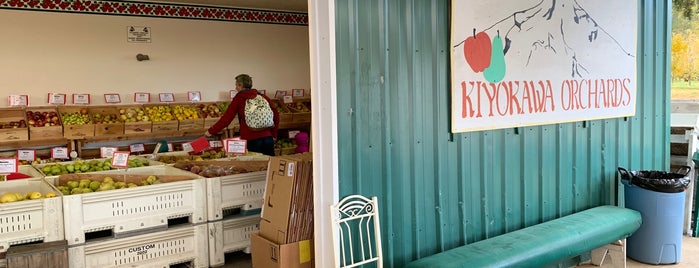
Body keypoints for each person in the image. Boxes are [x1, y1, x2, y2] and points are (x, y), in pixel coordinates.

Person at [206, 74, 279, 156]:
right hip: (267, 138)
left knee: (254, 166)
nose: (235, 88)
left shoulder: (239, 98)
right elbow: (276, 115)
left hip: (251, 139)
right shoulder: (262, 96)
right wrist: (274, 134)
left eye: (236, 85)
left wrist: (211, 131)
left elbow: (226, 119)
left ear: (241, 85)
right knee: (271, 165)